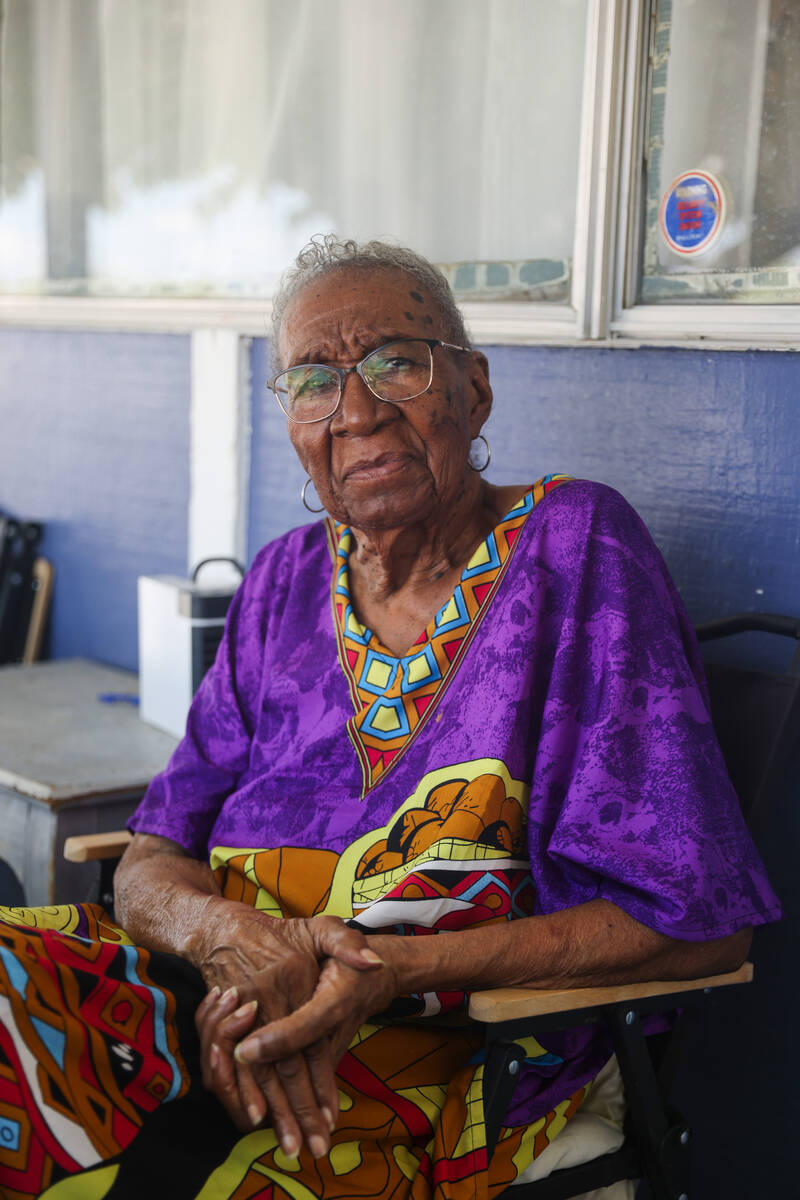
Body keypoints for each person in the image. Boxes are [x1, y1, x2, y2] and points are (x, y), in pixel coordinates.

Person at [0, 237, 780, 1200]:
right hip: (219, 1002)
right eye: (314, 382)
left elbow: (704, 924)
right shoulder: (283, 578)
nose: (358, 411)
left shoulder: (575, 550)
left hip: (436, 1048)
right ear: (290, 422)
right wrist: (226, 945)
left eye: (395, 363)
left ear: (474, 390)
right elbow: (156, 854)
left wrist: (386, 971)